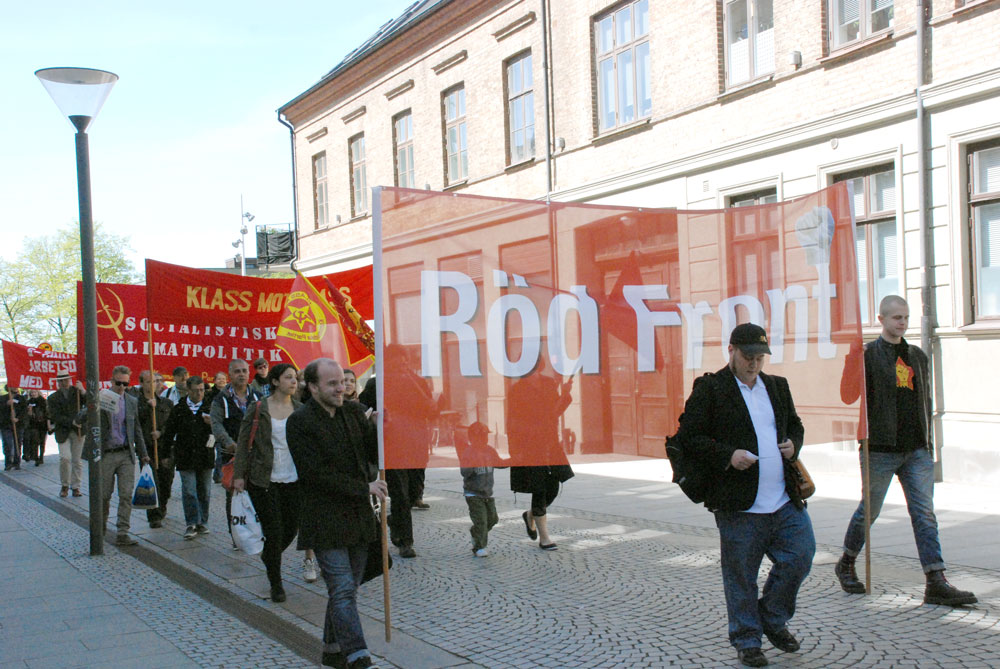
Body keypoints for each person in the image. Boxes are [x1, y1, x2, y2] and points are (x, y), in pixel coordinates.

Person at [671, 323, 813, 668]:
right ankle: (747, 639)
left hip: (782, 499)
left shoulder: (777, 386)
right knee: (740, 576)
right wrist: (728, 455)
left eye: (760, 357)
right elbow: (689, 437)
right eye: (748, 356)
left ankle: (772, 616)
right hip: (738, 503)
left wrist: (794, 444)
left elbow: (795, 425)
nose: (754, 364)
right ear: (731, 350)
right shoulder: (710, 388)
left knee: (801, 555)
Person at [835, 295, 976, 607]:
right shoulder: (868, 355)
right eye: (896, 317)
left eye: (905, 317)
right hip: (880, 448)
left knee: (924, 514)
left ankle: (935, 580)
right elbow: (847, 396)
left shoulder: (916, 355)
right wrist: (852, 360)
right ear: (882, 319)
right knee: (869, 510)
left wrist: (927, 443)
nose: (902, 323)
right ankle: (846, 561)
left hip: (915, 450)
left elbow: (924, 400)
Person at [287, 358, 385, 669]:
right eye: (331, 383)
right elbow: (314, 474)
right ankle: (358, 657)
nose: (340, 387)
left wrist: (380, 429)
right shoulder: (300, 422)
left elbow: (371, 452)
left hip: (357, 518)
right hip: (324, 518)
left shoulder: (354, 412)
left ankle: (331, 649)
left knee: (348, 590)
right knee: (342, 588)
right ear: (313, 387)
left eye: (341, 381)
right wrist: (364, 488)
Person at [232, 363, 301, 602]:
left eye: (296, 378)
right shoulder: (258, 408)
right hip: (264, 479)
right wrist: (239, 476)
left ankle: (269, 557)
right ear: (274, 381)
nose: (294, 382)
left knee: (291, 528)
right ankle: (276, 583)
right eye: (289, 377)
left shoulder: (300, 409)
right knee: (274, 531)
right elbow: (243, 443)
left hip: (293, 479)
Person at [507, 358, 574, 551]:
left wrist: (566, 395)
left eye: (535, 367)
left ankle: (530, 515)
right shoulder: (517, 390)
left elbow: (555, 412)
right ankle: (545, 538)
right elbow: (512, 422)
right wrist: (516, 451)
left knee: (552, 488)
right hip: (529, 445)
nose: (533, 372)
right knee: (540, 488)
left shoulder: (548, 384)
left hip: (550, 443)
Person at [82, 365, 149, 546]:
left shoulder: (131, 401)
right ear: (112, 381)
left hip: (126, 453)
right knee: (103, 495)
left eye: (125, 384)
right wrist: (95, 402)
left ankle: (122, 531)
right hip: (106, 453)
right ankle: (100, 527)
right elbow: (83, 416)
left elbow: (136, 428)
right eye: (118, 383)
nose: (121, 387)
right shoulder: (104, 397)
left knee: (126, 494)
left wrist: (143, 453)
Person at [211, 359, 261, 541]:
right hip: (231, 454)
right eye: (237, 371)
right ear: (230, 374)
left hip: (255, 454)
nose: (241, 374)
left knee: (256, 491)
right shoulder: (221, 399)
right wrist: (229, 443)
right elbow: (216, 424)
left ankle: (254, 530)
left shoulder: (257, 397)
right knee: (233, 493)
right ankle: (236, 534)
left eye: (244, 371)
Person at [161, 375, 214, 540]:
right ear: (189, 390)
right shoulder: (179, 409)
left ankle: (202, 522)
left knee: (204, 491)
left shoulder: (210, 408)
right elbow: (169, 432)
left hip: (205, 455)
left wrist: (211, 424)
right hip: (185, 456)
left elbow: (220, 430)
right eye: (196, 390)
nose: (199, 393)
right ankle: (191, 522)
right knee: (190, 490)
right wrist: (165, 454)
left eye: (202, 390)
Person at [459, 422, 508, 557]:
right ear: (472, 438)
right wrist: (473, 465)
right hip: (473, 493)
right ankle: (479, 547)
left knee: (492, 519)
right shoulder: (469, 452)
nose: (484, 439)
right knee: (481, 520)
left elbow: (498, 463)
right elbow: (464, 472)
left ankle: (476, 532)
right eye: (480, 436)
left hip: (487, 492)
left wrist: (512, 461)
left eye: (485, 436)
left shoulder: (489, 450)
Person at [135, 370, 175, 529]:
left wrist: (161, 432)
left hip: (165, 448)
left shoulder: (166, 403)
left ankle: (162, 505)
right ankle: (154, 516)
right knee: (153, 483)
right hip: (147, 449)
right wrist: (146, 407)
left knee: (166, 482)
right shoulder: (136, 402)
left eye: (157, 381)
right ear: (143, 384)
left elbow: (171, 424)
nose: (156, 384)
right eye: (151, 381)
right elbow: (134, 423)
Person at [48, 374, 85, 496]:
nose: (65, 382)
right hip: (63, 431)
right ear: (59, 382)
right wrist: (72, 422)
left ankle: (76, 486)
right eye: (62, 380)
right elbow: (55, 416)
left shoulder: (77, 392)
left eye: (67, 379)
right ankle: (65, 485)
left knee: (77, 460)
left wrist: (83, 391)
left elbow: (91, 402)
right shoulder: (53, 397)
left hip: (78, 431)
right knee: (65, 458)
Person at [1, 385, 27, 471]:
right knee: (8, 443)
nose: (15, 387)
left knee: (18, 443)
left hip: (18, 425)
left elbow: (24, 411)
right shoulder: (2, 398)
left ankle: (17, 462)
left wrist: (18, 419)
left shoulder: (21, 398)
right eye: (13, 386)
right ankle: (8, 462)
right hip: (6, 425)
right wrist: (6, 405)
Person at [23, 389, 49, 465]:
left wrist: (48, 424)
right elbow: (28, 415)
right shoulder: (29, 402)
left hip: (42, 423)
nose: (33, 394)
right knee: (35, 440)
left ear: (38, 392)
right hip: (33, 424)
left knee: (42, 441)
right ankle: (36, 456)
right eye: (32, 393)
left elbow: (47, 413)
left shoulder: (43, 401)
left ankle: (41, 457)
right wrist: (30, 412)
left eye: (34, 392)